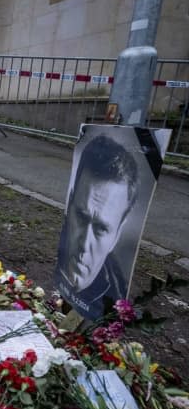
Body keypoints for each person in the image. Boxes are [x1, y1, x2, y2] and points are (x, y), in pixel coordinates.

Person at [55, 134, 138, 321]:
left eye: (101, 229)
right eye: (82, 217)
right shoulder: (59, 261)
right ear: (69, 204)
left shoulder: (116, 297)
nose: (85, 244)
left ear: (117, 234)